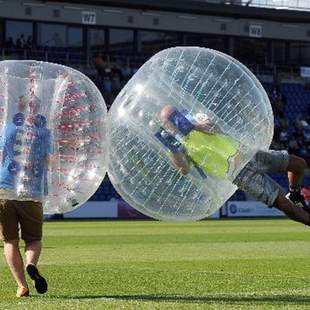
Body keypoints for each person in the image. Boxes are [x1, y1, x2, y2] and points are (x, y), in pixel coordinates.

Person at [156, 105, 310, 226]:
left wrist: (194, 126)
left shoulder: (196, 118)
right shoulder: (176, 146)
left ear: (179, 115)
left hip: (247, 154)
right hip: (237, 174)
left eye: (173, 118)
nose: (172, 124)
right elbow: (184, 169)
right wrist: (174, 149)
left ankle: (295, 193)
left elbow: (215, 127)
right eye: (167, 123)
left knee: (299, 164)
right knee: (282, 203)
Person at [0, 95, 52, 297]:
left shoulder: (7, 128)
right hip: (32, 190)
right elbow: (48, 160)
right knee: (33, 239)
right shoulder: (45, 132)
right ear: (39, 109)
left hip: (5, 188)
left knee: (10, 241)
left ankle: (22, 286)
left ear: (18, 107)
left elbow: (2, 156)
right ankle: (32, 264)